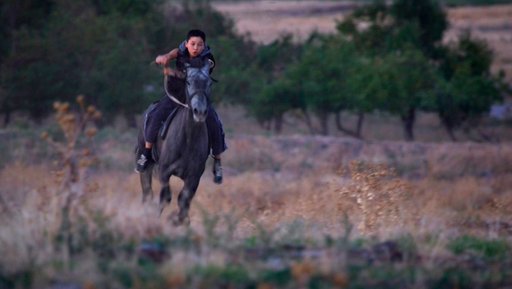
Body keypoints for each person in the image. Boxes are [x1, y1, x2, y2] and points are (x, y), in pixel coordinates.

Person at [136, 29, 227, 184]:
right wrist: (166, 57)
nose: (196, 48)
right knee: (155, 114)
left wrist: (172, 72)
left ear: (204, 46)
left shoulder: (208, 60)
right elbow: (176, 52)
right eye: (192, 44)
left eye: (200, 45)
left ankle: (217, 161)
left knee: (214, 122)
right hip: (177, 96)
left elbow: (196, 74)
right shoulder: (182, 51)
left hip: (198, 97)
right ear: (187, 44)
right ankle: (146, 152)